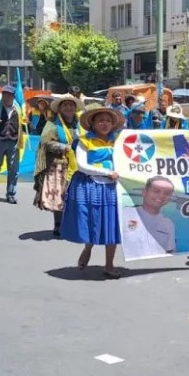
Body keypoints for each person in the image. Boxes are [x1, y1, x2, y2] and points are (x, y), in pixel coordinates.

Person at [60, 106, 125, 279]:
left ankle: (109, 265)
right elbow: (82, 166)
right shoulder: (83, 141)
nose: (105, 124)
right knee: (93, 221)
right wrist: (107, 172)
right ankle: (88, 248)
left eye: (108, 121)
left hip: (112, 187)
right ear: (93, 123)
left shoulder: (118, 141)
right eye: (101, 120)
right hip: (91, 186)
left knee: (111, 225)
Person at [33, 94, 84, 235]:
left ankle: (75, 224)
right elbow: (45, 143)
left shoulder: (81, 125)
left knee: (77, 196)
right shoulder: (52, 125)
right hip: (59, 165)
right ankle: (58, 224)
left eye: (71, 105)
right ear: (60, 108)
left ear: (75, 108)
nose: (68, 107)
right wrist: (62, 147)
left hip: (79, 165)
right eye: (65, 105)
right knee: (59, 196)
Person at [120, 176, 177, 258]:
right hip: (128, 264)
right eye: (156, 191)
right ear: (144, 192)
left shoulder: (168, 224)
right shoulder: (124, 214)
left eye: (167, 193)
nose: (161, 196)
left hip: (158, 264)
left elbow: (170, 251)